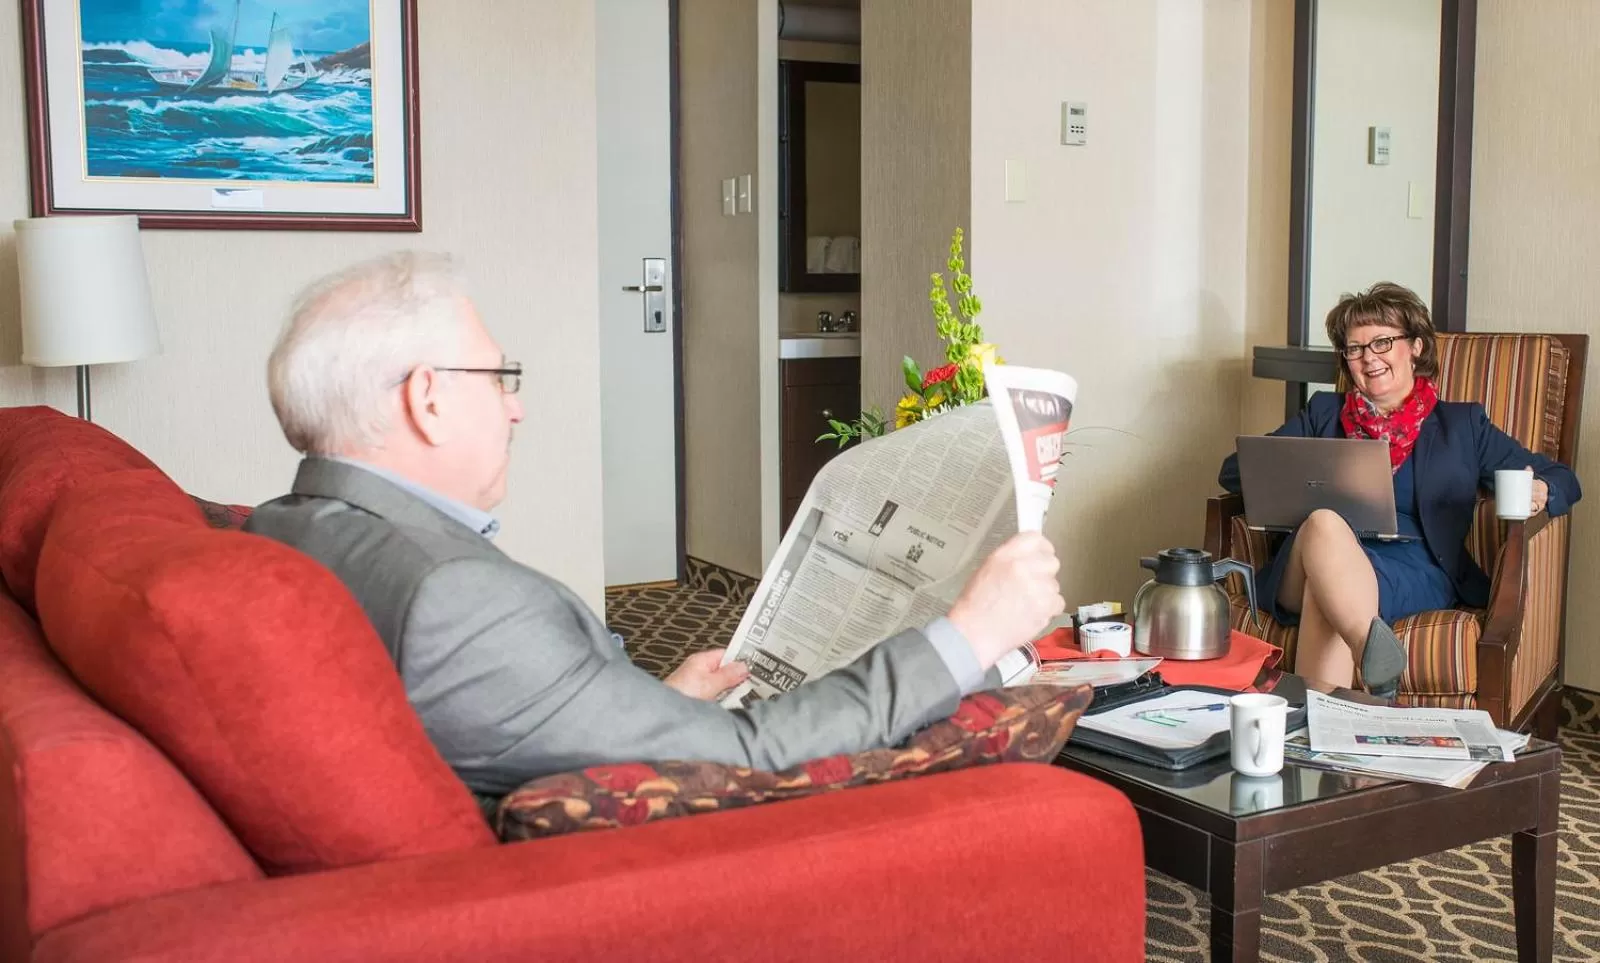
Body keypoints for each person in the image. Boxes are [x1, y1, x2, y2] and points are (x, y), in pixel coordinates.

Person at [246, 252, 1066, 797]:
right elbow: (752, 758)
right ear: (427, 397)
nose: (517, 405)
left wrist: (645, 703)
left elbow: (513, 715)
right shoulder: (455, 599)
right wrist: (968, 630)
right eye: (501, 378)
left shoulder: (290, 526)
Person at [1218, 282, 1581, 697]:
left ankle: (1316, 740)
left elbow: (1564, 478)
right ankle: (1373, 656)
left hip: (1413, 568)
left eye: (1382, 342)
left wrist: (1542, 489)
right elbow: (1232, 474)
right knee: (1323, 526)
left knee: (1329, 594)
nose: (1368, 357)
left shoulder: (1461, 427)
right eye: (1355, 349)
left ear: (1417, 348)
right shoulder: (1324, 413)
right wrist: (1290, 466)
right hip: (1306, 561)